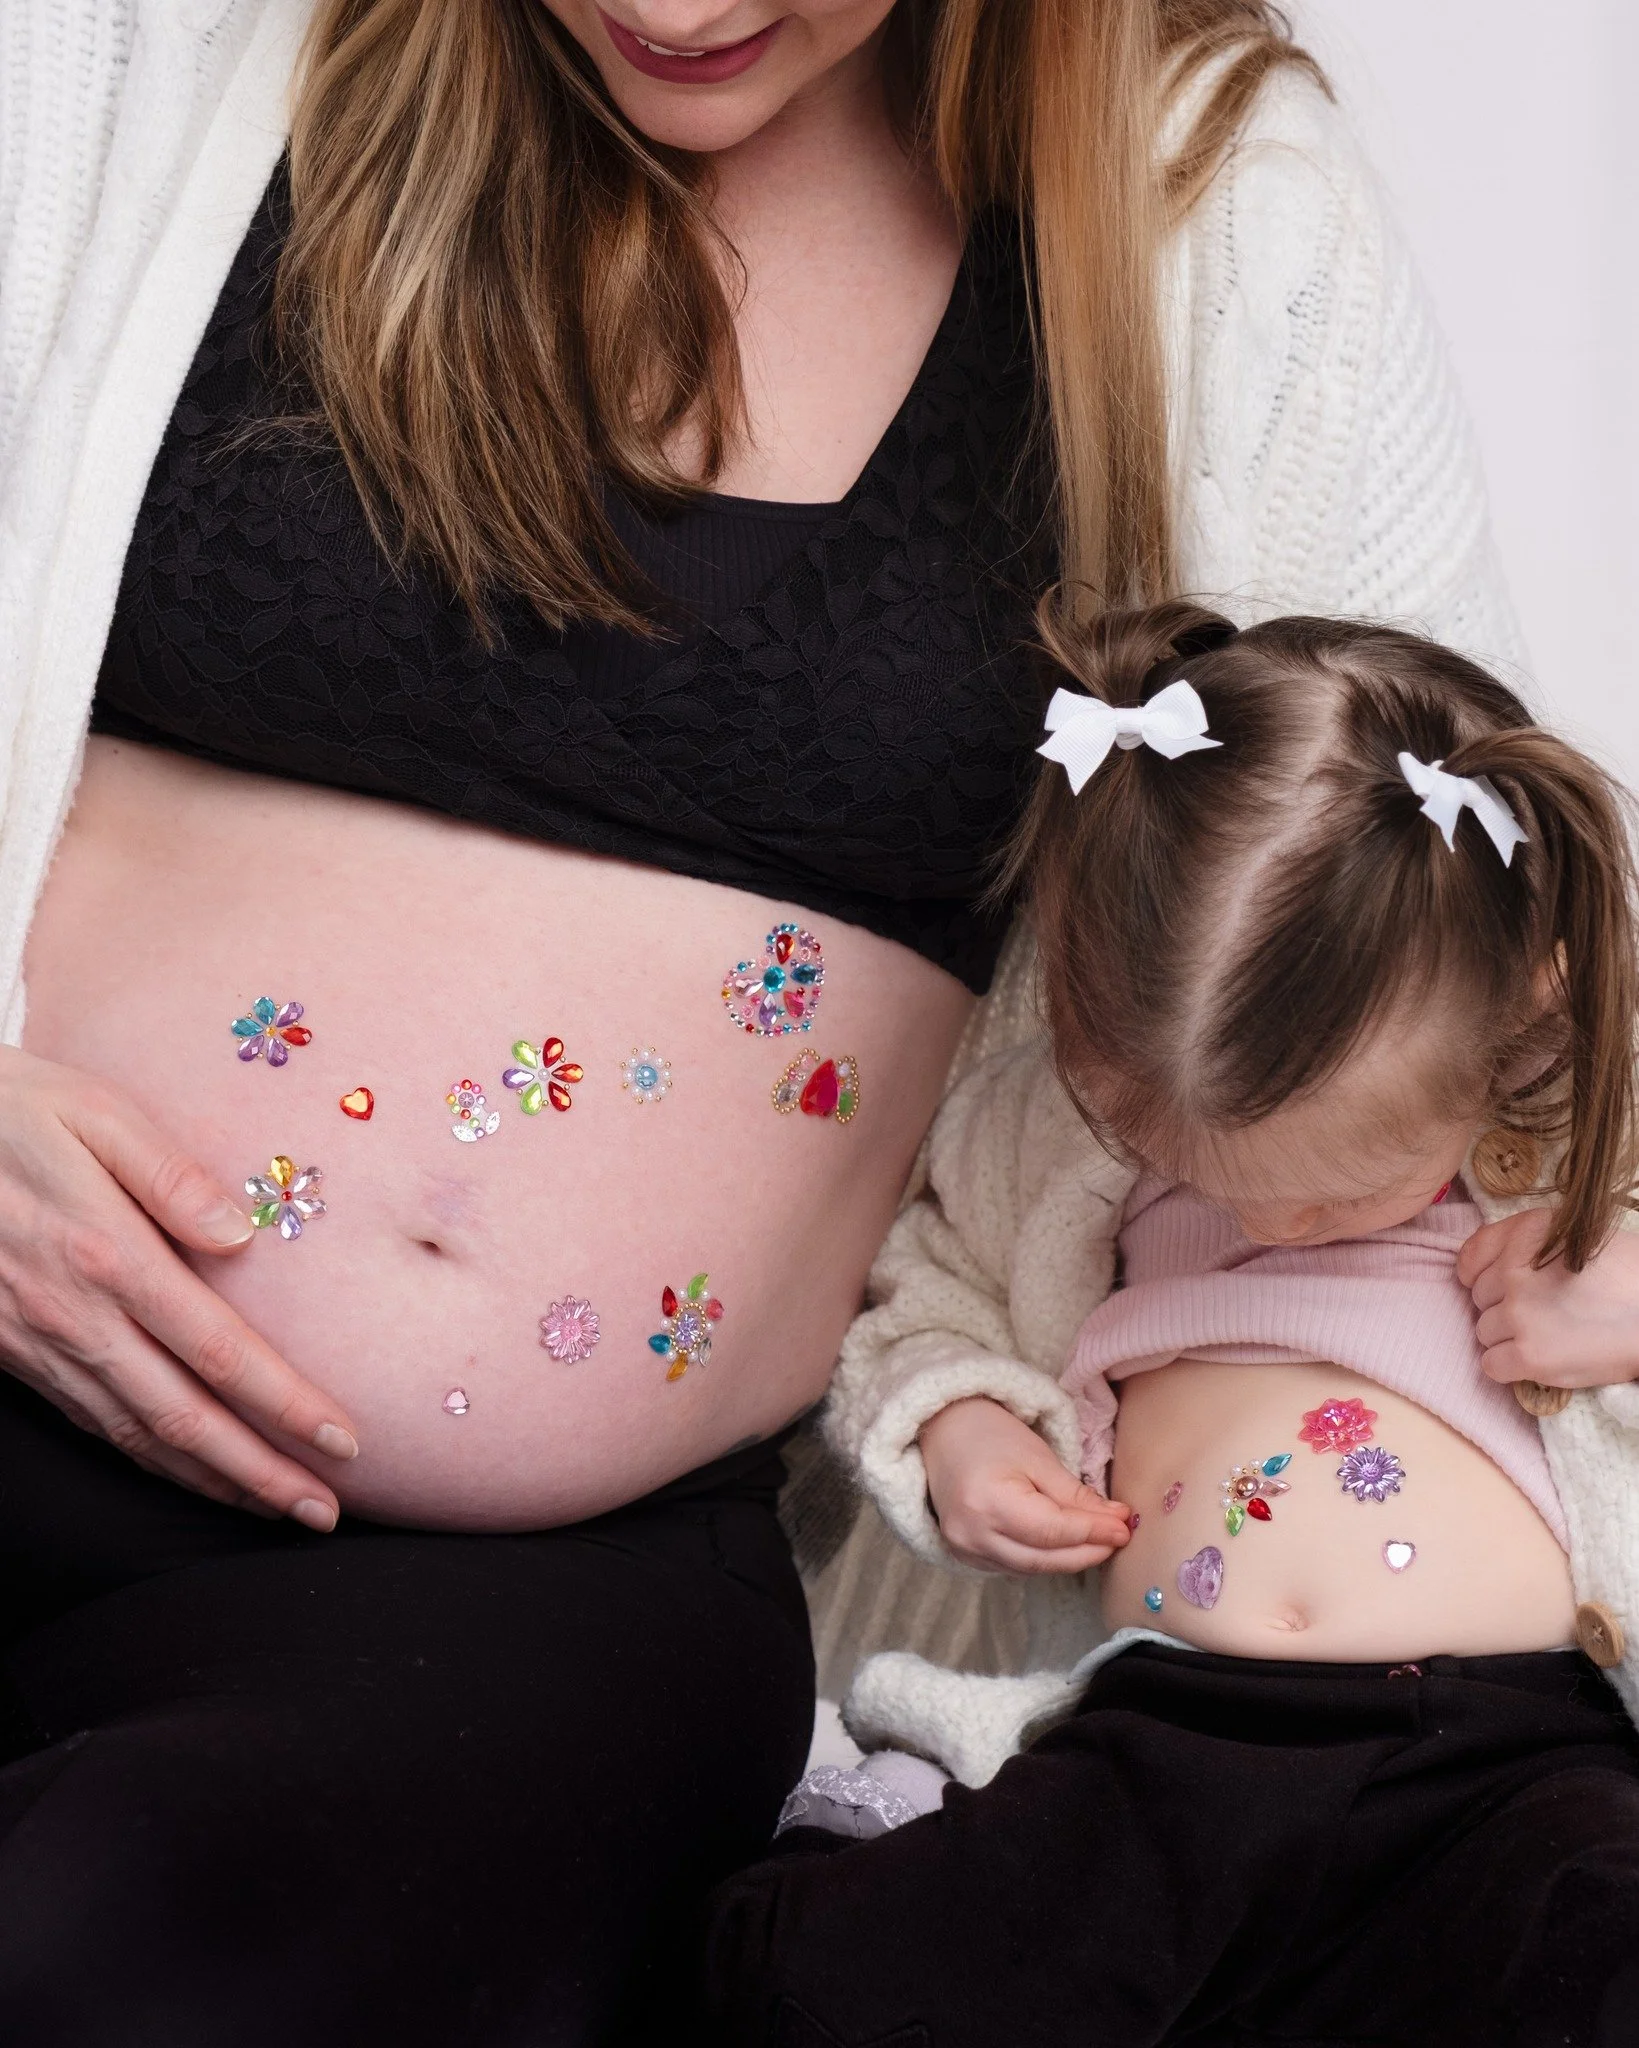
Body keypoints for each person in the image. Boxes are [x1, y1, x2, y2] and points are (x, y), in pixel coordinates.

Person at [0, 0, 1627, 2037]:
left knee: (117, 1952)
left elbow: (1443, 940)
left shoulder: (1206, 199)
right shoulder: (155, 43)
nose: (676, 9)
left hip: (521, 1594)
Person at [703, 604, 1639, 2048]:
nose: (1272, 1228)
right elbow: (927, 1285)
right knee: (839, 1990)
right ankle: (869, 1842)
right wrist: (959, 1427)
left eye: (1341, 1196)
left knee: (1588, 1952)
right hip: (1171, 1736)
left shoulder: (1593, 1118)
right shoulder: (1052, 1134)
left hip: (1517, 1748)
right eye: (1205, 1181)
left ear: (1521, 1017)